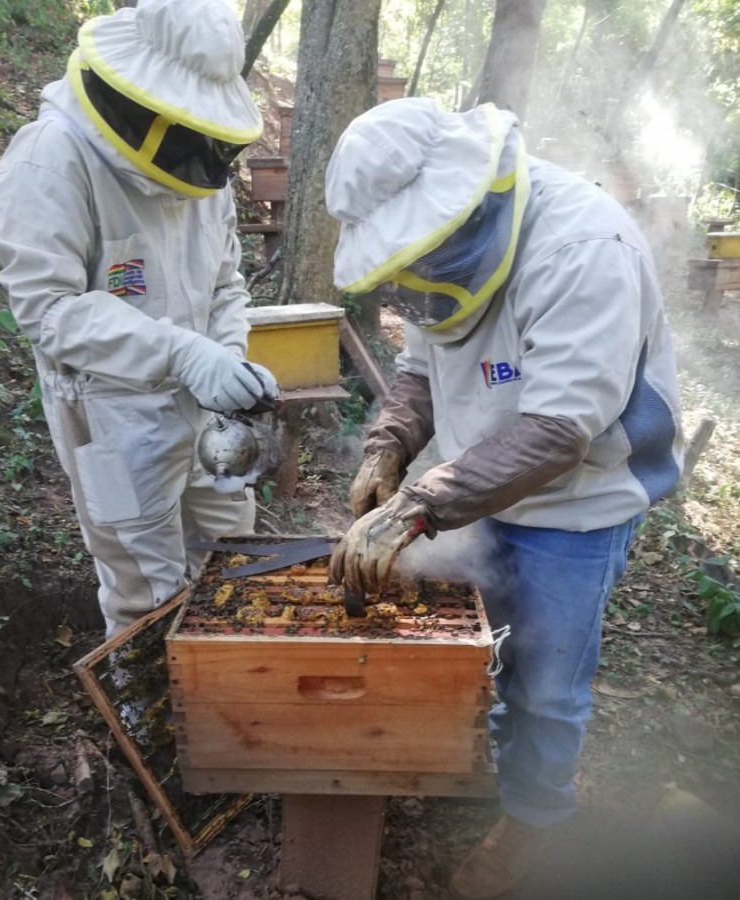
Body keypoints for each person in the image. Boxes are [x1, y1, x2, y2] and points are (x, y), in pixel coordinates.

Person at [325, 98, 683, 899]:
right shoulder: (439, 246)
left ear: (468, 215)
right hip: (478, 491)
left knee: (546, 679)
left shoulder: (584, 248)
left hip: (580, 503)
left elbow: (559, 430)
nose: (419, 288)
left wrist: (415, 508)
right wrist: (388, 442)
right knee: (486, 653)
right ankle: (491, 770)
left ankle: (536, 818)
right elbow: (422, 362)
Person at [0, 0, 278, 638]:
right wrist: (186, 355)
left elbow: (225, 280)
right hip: (113, 421)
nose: (200, 148)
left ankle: (230, 713)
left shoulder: (201, 157)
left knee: (233, 567)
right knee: (148, 594)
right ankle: (150, 733)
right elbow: (49, 310)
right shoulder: (48, 160)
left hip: (206, 415)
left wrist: (228, 355)